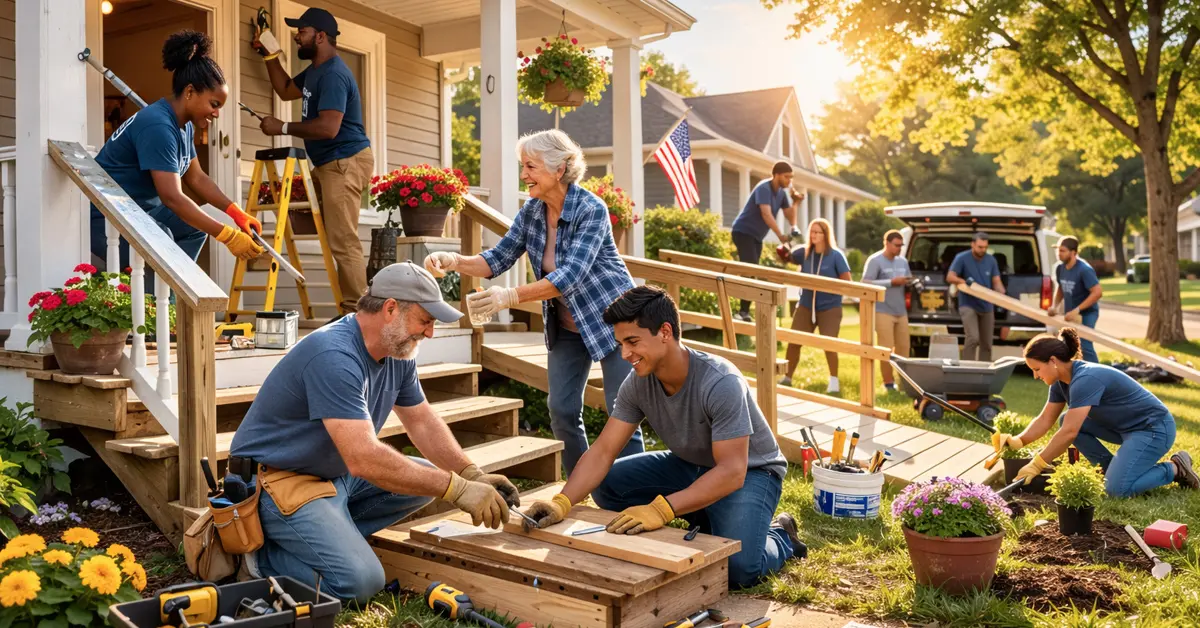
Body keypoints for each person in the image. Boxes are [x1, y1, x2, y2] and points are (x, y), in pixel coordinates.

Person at [228, 262, 520, 604]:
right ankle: (258, 560)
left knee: (426, 479)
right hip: (275, 484)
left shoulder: (397, 351)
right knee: (361, 582)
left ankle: (328, 537)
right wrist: (455, 488)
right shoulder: (334, 355)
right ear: (391, 308)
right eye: (425, 321)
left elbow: (422, 421)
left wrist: (471, 474)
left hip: (330, 477)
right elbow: (364, 458)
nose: (429, 333)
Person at [521, 286, 805, 588]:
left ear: (665, 332)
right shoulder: (638, 382)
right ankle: (705, 511)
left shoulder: (721, 381)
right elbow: (603, 451)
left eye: (632, 341)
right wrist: (562, 502)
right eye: (620, 343)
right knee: (606, 486)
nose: (625, 353)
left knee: (738, 569)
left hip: (750, 473)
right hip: (690, 464)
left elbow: (732, 472)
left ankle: (782, 536)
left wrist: (661, 509)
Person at [422, 130, 643, 473]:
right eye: (522, 166)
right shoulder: (532, 213)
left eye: (530, 166)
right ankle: (583, 485)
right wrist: (454, 261)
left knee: (622, 411)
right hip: (568, 325)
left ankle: (635, 493)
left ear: (559, 169)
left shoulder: (591, 209)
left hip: (616, 321)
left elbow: (570, 276)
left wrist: (510, 296)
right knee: (563, 411)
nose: (523, 175)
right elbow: (498, 258)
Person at [91, 31, 263, 273]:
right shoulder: (158, 126)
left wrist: (235, 212)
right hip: (109, 215)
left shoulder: (183, 126)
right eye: (214, 104)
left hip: (141, 210)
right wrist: (227, 236)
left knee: (192, 229)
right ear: (190, 92)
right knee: (163, 238)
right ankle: (161, 304)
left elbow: (197, 178)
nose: (216, 113)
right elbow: (172, 197)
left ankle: (172, 295)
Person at [254, 7, 373, 314]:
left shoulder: (333, 74)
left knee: (343, 241)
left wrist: (281, 128)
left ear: (320, 36)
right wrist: (269, 55)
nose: (296, 36)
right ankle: (354, 309)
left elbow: (328, 127)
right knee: (334, 236)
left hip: (344, 160)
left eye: (302, 31)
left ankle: (357, 315)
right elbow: (283, 90)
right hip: (328, 163)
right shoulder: (316, 71)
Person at [997, 328, 1198, 497]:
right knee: (1065, 418)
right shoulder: (1060, 383)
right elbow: (1045, 419)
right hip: (1125, 429)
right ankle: (1111, 470)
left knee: (1116, 491)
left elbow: (1069, 432)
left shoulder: (1086, 379)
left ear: (1053, 361)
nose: (1034, 376)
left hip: (1153, 430)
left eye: (1037, 369)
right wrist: (1020, 440)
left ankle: (1174, 468)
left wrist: (1037, 464)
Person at [779, 218, 852, 393]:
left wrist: (828, 288)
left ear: (826, 235)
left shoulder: (836, 255)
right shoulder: (803, 253)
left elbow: (847, 281)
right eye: (812, 231)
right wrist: (783, 249)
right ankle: (787, 377)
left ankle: (834, 381)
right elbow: (785, 258)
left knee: (829, 344)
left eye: (818, 232)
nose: (814, 235)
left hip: (830, 306)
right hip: (805, 305)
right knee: (794, 341)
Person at [729, 162, 800, 321]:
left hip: (756, 236)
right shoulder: (764, 188)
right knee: (750, 270)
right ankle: (742, 312)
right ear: (776, 175)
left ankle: (743, 311)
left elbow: (790, 216)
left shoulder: (781, 193)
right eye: (786, 177)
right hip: (743, 232)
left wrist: (795, 202)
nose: (789, 180)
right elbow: (766, 215)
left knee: (754, 271)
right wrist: (781, 236)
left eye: (791, 177)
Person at [862, 230, 912, 391]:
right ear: (887, 243)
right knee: (886, 348)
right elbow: (865, 283)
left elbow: (908, 279)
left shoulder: (903, 262)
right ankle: (888, 383)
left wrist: (910, 282)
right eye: (897, 245)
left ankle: (905, 383)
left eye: (901, 245)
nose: (899, 248)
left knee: (904, 348)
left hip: (901, 311)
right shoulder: (875, 260)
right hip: (882, 310)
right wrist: (891, 282)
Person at [945, 232, 1005, 361]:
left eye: (985, 247)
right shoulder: (961, 258)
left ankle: (984, 371)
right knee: (973, 337)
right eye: (980, 247)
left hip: (987, 305)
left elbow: (996, 282)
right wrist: (964, 282)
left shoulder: (991, 260)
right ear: (972, 244)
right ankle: (967, 367)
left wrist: (1002, 294)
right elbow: (950, 277)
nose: (982, 250)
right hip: (968, 304)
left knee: (987, 343)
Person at [1049, 236, 1102, 362]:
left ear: (1073, 253)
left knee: (1085, 345)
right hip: (1070, 313)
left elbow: (1097, 293)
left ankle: (1096, 375)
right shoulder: (1060, 268)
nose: (1058, 254)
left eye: (1062, 251)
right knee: (1067, 345)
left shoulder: (1084, 270)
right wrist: (1054, 306)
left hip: (1087, 313)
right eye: (1058, 250)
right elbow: (1061, 288)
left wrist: (1077, 310)